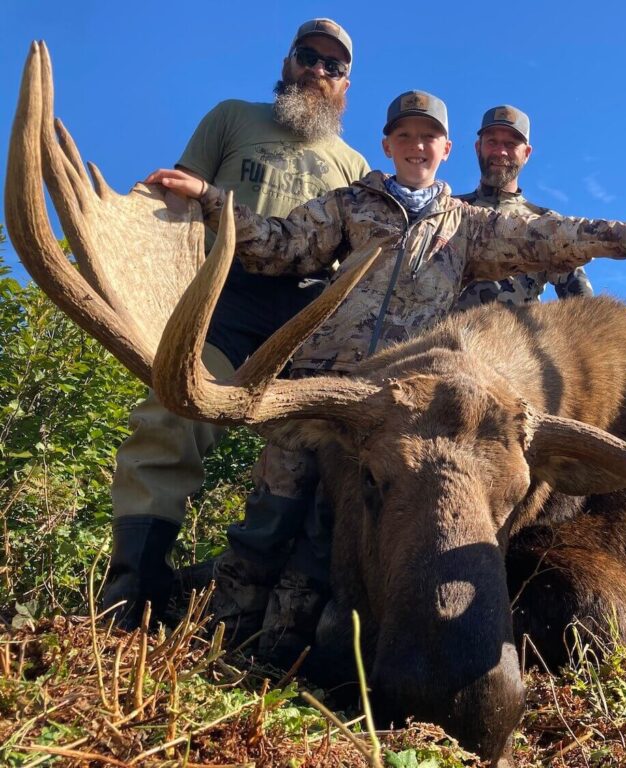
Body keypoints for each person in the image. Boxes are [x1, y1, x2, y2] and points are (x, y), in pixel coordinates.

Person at [145, 90, 626, 657]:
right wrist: (210, 198)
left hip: (403, 414)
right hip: (326, 390)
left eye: (427, 137)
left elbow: (558, 240)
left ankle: (284, 650)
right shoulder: (350, 203)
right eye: (404, 136)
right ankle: (225, 639)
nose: (415, 146)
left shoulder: (470, 226)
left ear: (446, 149)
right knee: (270, 513)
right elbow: (282, 245)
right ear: (387, 145)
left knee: (330, 533)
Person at [102, 18, 370, 630]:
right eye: (309, 56)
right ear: (288, 60)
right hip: (223, 300)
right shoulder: (232, 118)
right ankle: (131, 592)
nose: (319, 71)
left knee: (312, 457)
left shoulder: (353, 162)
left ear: (345, 84)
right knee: (170, 419)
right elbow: (174, 196)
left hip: (305, 319)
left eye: (334, 66)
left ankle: (274, 614)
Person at [456, 105, 592, 309]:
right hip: (446, 339)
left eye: (510, 144)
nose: (500, 151)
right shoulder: (446, 211)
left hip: (519, 338)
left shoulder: (547, 223)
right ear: (478, 147)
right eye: (492, 142)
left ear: (527, 153)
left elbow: (582, 304)